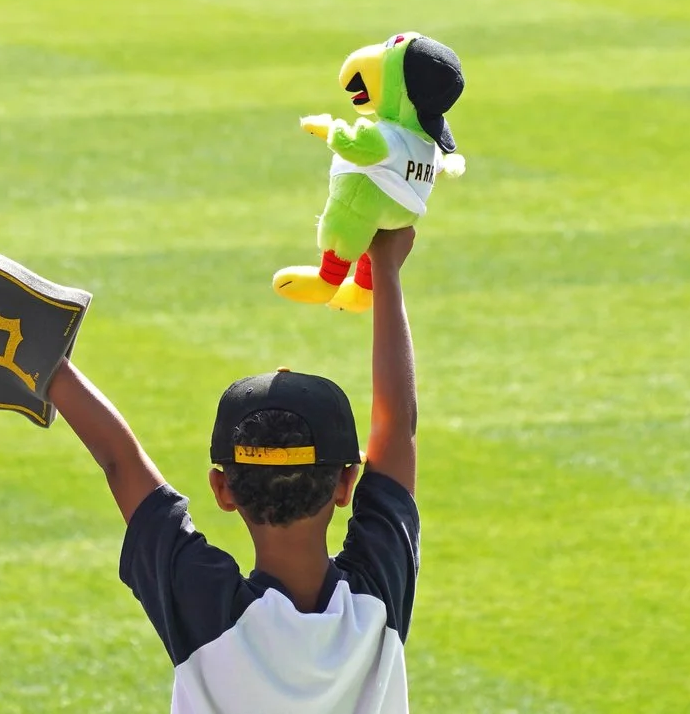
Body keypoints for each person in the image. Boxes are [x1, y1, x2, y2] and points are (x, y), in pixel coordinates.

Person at [50, 226, 420, 714]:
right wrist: (386, 267)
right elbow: (397, 428)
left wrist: (40, 362)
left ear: (222, 488)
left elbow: (119, 458)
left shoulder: (207, 607)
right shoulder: (376, 603)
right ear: (346, 483)